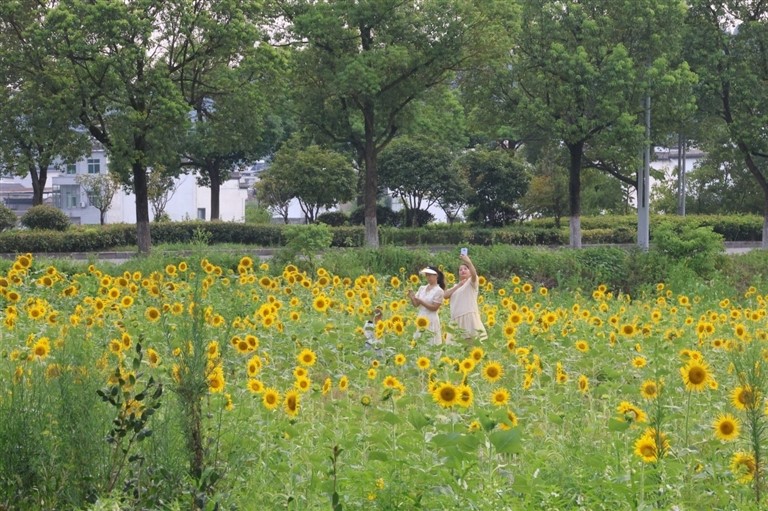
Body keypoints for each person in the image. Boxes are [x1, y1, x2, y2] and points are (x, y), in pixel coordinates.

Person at [444, 252, 487, 342]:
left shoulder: (471, 283)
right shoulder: (456, 286)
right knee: (456, 349)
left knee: (471, 344)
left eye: (465, 269)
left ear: (469, 272)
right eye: (460, 270)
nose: (463, 270)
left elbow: (474, 275)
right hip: (456, 321)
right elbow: (445, 295)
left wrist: (468, 262)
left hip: (469, 318)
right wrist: (458, 285)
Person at [407, 265, 445, 345]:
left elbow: (434, 307)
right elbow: (416, 304)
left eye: (430, 275)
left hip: (431, 318)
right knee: (419, 341)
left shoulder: (439, 291)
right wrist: (412, 297)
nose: (428, 277)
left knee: (430, 341)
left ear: (436, 276)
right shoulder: (422, 288)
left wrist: (421, 301)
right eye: (427, 275)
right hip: (421, 317)